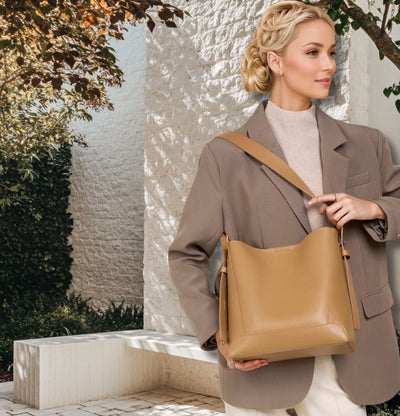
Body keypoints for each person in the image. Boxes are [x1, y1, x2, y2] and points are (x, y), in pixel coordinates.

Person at [168, 1, 400, 415]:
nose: (328, 64)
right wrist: (217, 333)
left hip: (346, 346)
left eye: (331, 52)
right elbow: (187, 254)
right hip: (260, 349)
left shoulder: (367, 143)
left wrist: (373, 208)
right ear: (275, 61)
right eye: (312, 52)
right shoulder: (225, 156)